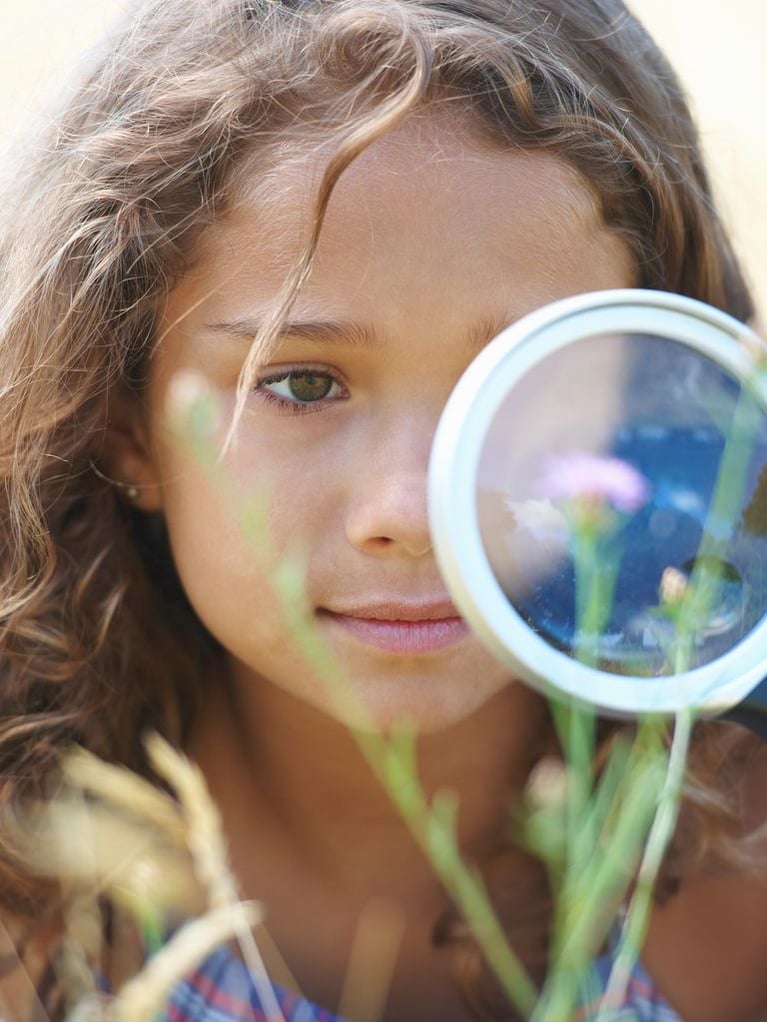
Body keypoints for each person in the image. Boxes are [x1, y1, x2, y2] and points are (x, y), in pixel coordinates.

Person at [1, 0, 767, 1019]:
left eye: (524, 388)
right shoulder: (36, 922)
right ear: (124, 421)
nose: (413, 508)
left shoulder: (740, 885)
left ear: (664, 389)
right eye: (303, 384)